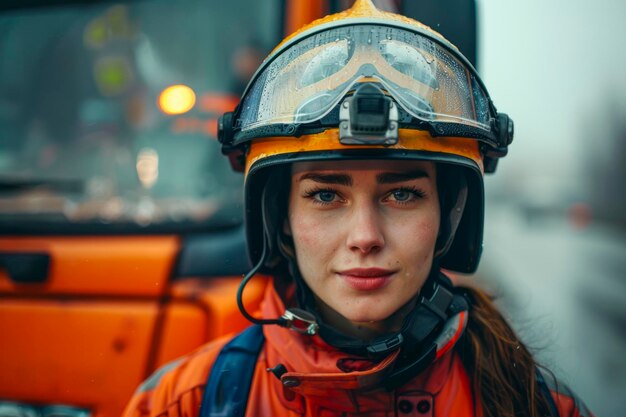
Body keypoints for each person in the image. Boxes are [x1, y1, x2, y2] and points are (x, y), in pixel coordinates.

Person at [124, 1, 593, 416]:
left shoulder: (535, 404)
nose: (365, 236)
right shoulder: (186, 403)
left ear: (449, 218)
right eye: (326, 195)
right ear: (280, 219)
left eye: (402, 194)